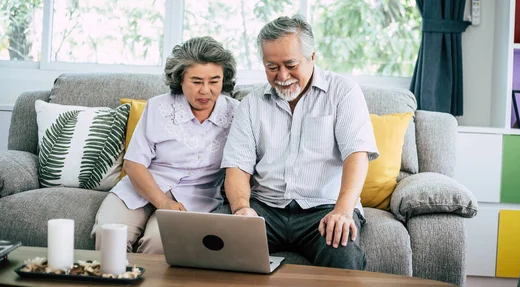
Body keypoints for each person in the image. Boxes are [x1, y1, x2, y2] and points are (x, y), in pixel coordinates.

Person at [216, 15, 379, 270]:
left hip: (324, 208)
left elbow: (356, 155)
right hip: (265, 209)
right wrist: (241, 209)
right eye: (271, 66)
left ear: (312, 57)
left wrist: (343, 210)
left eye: (291, 65)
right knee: (215, 243)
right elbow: (237, 166)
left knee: (342, 255)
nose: (282, 76)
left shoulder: (344, 92)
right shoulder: (251, 104)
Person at [92, 36, 239, 254]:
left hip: (195, 197)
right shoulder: (158, 106)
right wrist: (163, 202)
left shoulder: (237, 114)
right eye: (196, 82)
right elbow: (134, 164)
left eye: (214, 81)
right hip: (141, 186)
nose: (205, 90)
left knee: (160, 244)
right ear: (180, 79)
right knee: (109, 233)